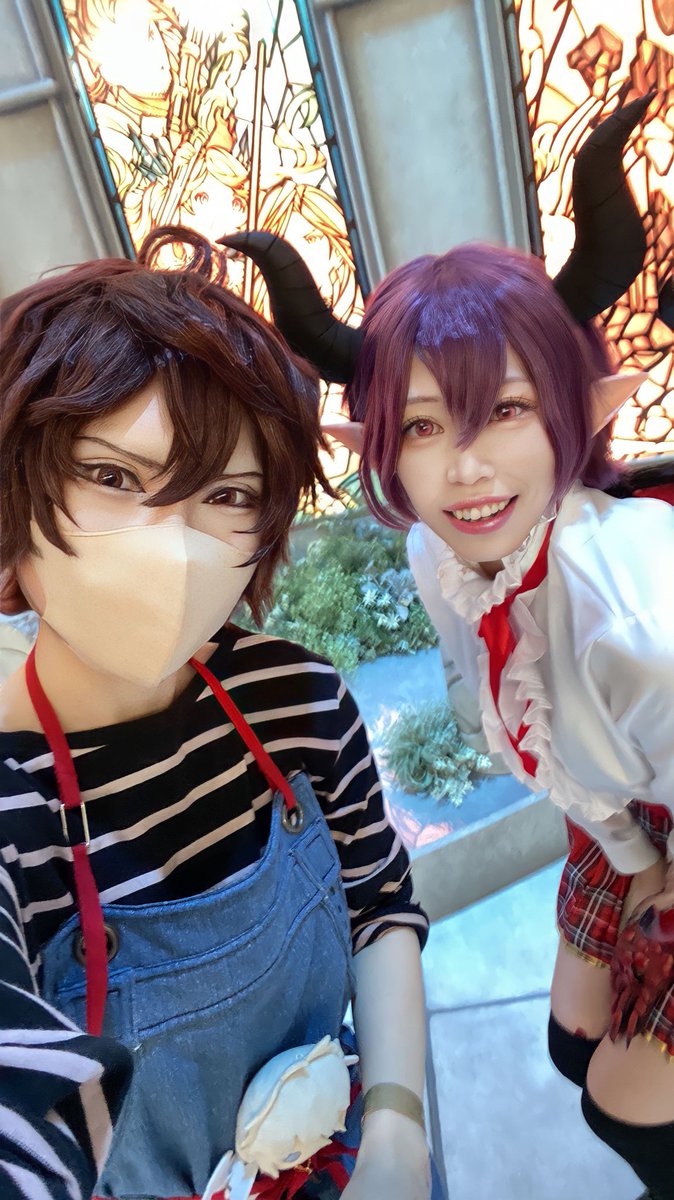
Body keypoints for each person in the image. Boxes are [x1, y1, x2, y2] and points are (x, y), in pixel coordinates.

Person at [225, 96, 674, 1200]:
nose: (465, 470)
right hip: (622, 812)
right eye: (423, 426)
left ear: (573, 407)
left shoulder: (635, 604)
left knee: (626, 1101)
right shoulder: (447, 553)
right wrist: (629, 858)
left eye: (506, 410)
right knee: (572, 1045)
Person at [0, 226, 438, 1200]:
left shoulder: (297, 700)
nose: (173, 548)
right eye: (113, 476)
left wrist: (398, 1128)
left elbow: (379, 907)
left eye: (229, 495)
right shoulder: (11, 804)